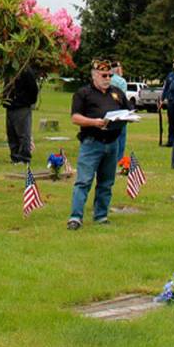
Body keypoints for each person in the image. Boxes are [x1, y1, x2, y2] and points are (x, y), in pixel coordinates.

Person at [67, 59, 127, 229]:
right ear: (94, 76)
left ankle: (101, 216)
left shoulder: (116, 93)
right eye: (104, 75)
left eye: (109, 75)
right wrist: (94, 122)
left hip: (112, 142)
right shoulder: (83, 93)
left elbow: (128, 109)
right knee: (84, 181)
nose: (107, 78)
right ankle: (75, 217)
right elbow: (75, 118)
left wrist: (129, 117)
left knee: (106, 182)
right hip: (92, 142)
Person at [5, 66, 39, 164]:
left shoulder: (25, 70)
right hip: (10, 106)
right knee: (11, 133)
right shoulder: (9, 71)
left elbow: (33, 89)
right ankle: (15, 157)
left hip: (22, 106)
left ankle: (24, 157)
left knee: (23, 133)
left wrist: (25, 101)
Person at [159, 56, 174, 148]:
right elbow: (166, 88)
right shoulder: (170, 75)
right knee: (171, 122)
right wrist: (162, 99)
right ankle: (170, 141)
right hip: (171, 101)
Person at [109, 61, 130, 160]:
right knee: (121, 135)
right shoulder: (121, 81)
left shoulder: (106, 79)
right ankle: (119, 158)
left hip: (107, 110)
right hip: (119, 111)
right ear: (118, 69)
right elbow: (123, 97)